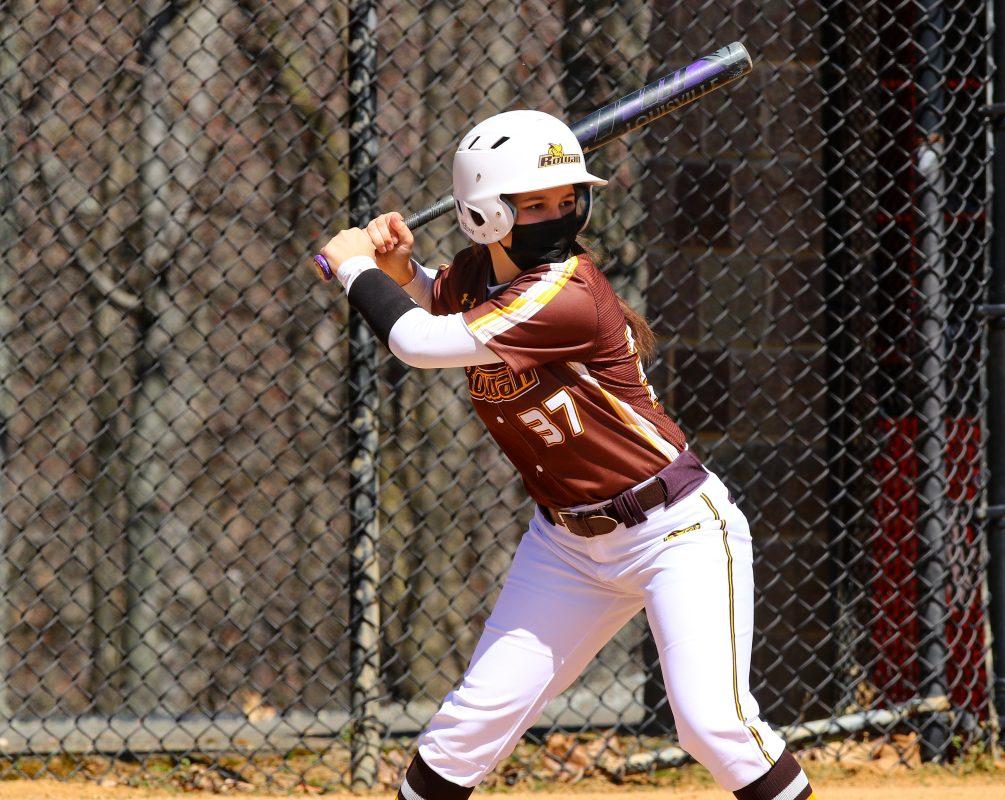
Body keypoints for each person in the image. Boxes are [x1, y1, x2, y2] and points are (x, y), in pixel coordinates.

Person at [316, 110, 815, 800]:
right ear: (485, 215)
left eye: (566, 199)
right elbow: (438, 302)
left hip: (675, 532)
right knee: (466, 728)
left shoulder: (566, 291)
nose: (559, 214)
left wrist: (353, 270)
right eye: (535, 203)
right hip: (566, 546)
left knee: (712, 725)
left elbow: (420, 344)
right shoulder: (473, 276)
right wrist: (401, 271)